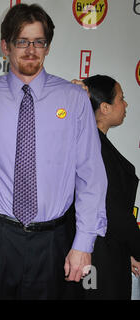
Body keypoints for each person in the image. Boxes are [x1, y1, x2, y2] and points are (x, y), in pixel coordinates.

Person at [0, 3, 107, 299]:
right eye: (22, 41)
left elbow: (91, 175)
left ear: (47, 47)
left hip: (54, 241)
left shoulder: (74, 100)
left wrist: (84, 243)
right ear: (5, 46)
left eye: (39, 42)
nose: (31, 49)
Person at [68, 75, 140, 299]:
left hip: (109, 251)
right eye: (121, 99)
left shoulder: (97, 144)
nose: (126, 104)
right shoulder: (95, 149)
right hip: (99, 253)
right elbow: (114, 210)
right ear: (105, 108)